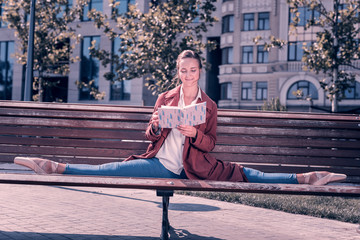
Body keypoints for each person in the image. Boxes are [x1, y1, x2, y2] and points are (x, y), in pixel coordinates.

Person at [14, 50, 346, 185]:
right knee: (111, 169)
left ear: (200, 72)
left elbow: (212, 142)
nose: (188, 74)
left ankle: (306, 178)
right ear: (178, 72)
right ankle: (54, 166)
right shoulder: (165, 97)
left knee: (248, 174)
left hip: (198, 167)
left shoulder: (209, 105)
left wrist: (193, 133)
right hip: (161, 164)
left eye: (193, 70)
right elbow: (149, 134)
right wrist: (158, 124)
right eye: (183, 70)